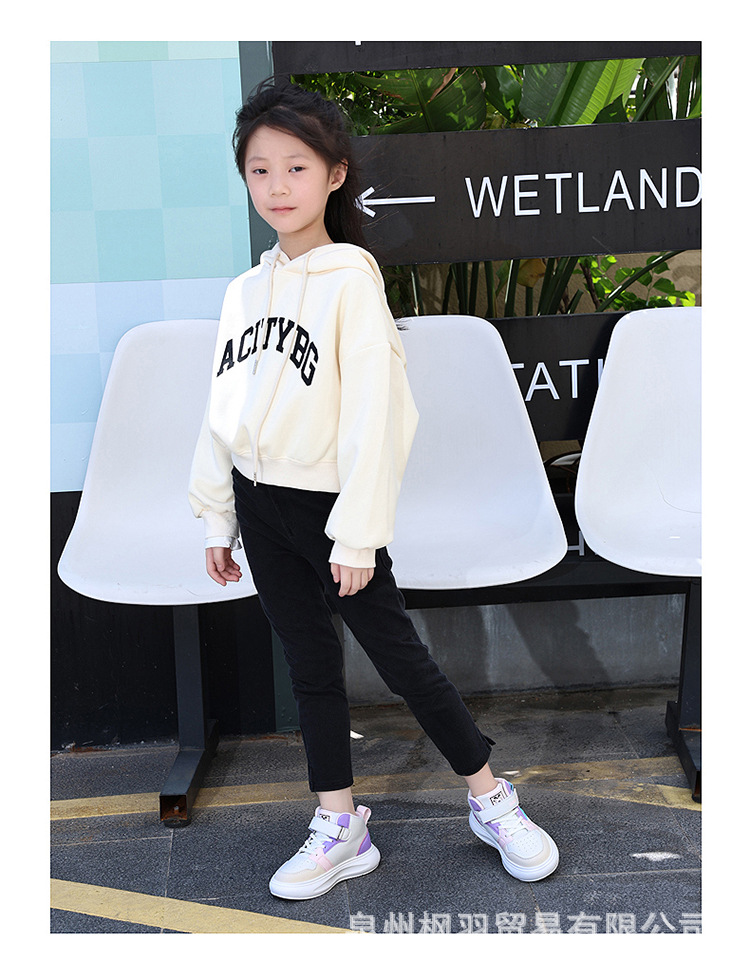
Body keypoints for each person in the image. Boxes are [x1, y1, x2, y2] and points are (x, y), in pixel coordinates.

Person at [188, 78, 559, 901]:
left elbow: (379, 415)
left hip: (330, 511)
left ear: (335, 175)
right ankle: (339, 826)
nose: (277, 186)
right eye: (260, 170)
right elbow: (222, 409)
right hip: (259, 505)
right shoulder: (243, 293)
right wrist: (217, 516)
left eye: (296, 167)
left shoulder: (351, 280)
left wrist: (356, 532)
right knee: (310, 668)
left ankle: (491, 798)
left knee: (402, 662)